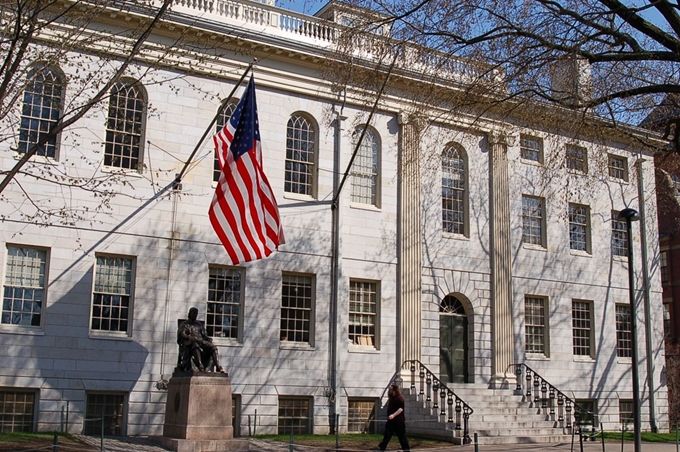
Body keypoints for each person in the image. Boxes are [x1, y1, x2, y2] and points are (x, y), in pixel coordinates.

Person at [177, 307, 226, 373]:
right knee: (195, 344)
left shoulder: (199, 324)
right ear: (190, 313)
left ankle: (218, 367)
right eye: (193, 313)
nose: (195, 315)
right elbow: (182, 333)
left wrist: (208, 338)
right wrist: (189, 337)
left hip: (201, 341)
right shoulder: (185, 324)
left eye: (196, 313)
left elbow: (204, 335)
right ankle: (200, 366)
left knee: (213, 347)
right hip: (191, 342)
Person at [378, 384, 410, 451]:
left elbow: (400, 409)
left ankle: (406, 449)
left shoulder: (399, 398)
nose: (389, 391)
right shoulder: (391, 398)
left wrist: (393, 415)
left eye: (390, 389)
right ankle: (382, 447)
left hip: (398, 421)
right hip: (391, 421)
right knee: (387, 434)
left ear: (394, 390)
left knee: (401, 436)